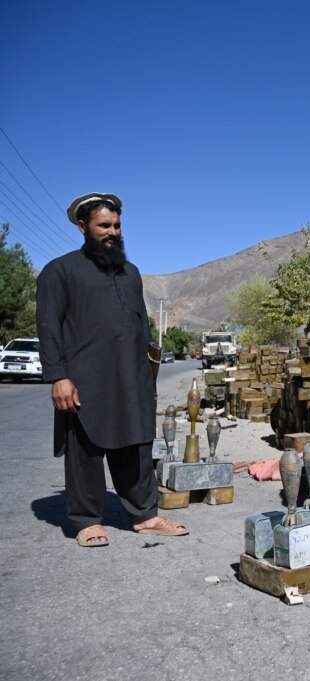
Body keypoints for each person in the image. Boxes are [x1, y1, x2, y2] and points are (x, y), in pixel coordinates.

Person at [36, 192, 188, 547]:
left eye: (117, 225)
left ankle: (145, 516)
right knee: (85, 450)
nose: (113, 232)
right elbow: (48, 325)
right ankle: (87, 520)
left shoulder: (130, 272)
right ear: (82, 227)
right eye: (104, 225)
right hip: (83, 379)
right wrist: (58, 376)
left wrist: (147, 373)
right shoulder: (60, 270)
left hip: (131, 376)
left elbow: (142, 329)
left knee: (136, 444)